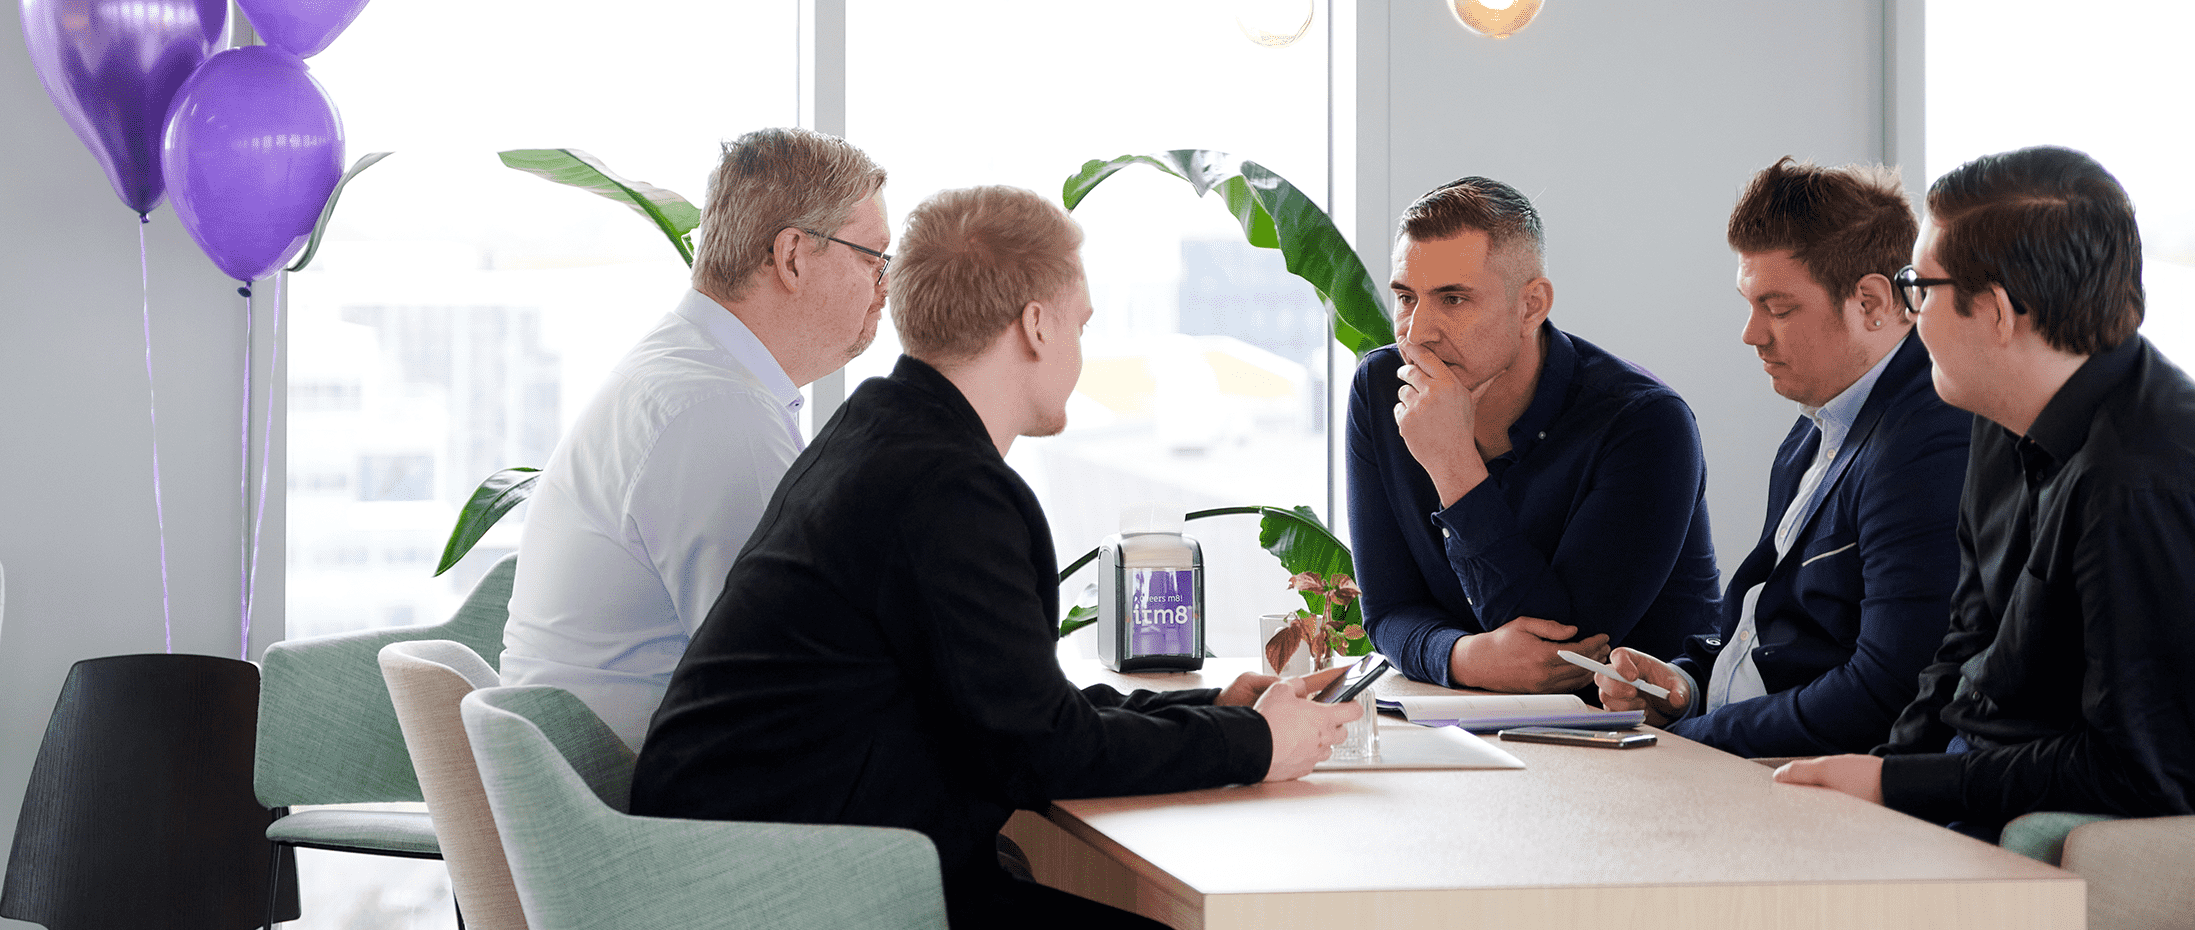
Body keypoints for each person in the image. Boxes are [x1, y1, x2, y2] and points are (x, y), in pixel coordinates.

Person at [630, 185, 1361, 929]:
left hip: (753, 864)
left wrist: (1213, 707)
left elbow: (1014, 708)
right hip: (787, 893)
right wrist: (1255, 742)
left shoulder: (879, 433)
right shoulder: (945, 487)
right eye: (1080, 324)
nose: (1080, 351)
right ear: (1036, 325)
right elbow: (1039, 751)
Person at [1776, 146, 2195, 836]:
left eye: (1919, 288)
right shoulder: (2001, 412)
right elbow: (1964, 648)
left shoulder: (2141, 480)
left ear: (1996, 312)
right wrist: (1886, 779)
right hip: (1973, 778)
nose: (1911, 312)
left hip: (2044, 813)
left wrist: (1897, 786)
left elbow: (2139, 767)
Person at [500, 128, 890, 749]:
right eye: (873, 258)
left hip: (590, 779)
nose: (884, 288)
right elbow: (797, 676)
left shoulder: (685, 373)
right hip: (637, 798)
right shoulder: (720, 411)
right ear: (792, 256)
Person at [1591, 158, 1971, 757]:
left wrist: (1689, 741)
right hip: (1752, 751)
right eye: (1750, 304)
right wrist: (1684, 689)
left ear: (1873, 301)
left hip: (1815, 775)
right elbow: (1771, 632)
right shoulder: (1812, 430)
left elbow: (1888, 691)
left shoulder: (1928, 440)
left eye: (1779, 308)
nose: (1752, 334)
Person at [1347, 176, 1719, 693]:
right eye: (1407, 297)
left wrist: (1454, 465)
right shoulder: (1380, 388)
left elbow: (1564, 656)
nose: (1417, 333)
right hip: (1466, 721)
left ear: (1531, 306)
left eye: (1453, 299)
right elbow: (1388, 609)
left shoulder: (1647, 423)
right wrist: (1465, 658)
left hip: (1636, 731)